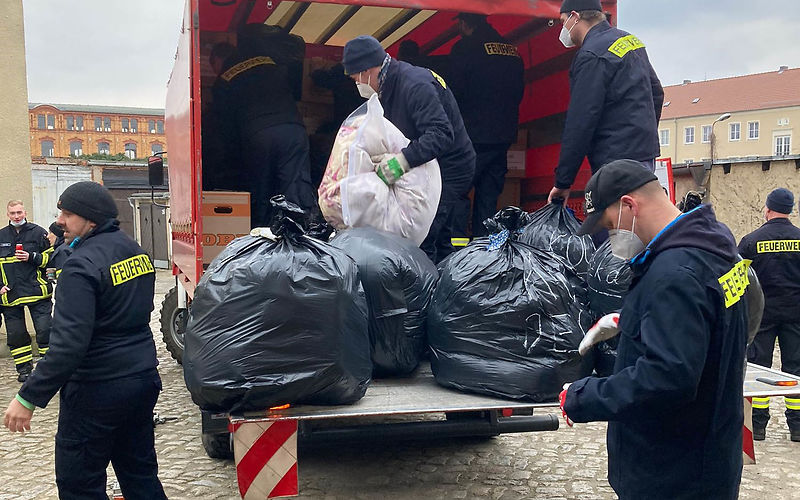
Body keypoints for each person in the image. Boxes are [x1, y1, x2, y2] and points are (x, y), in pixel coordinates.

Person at [559, 159, 748, 499]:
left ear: (629, 206)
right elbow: (709, 323)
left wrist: (584, 396)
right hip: (709, 454)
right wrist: (630, 321)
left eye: (607, 224)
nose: (608, 237)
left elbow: (666, 379)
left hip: (673, 474)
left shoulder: (674, 273)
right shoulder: (715, 247)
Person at [3, 182, 167, 499]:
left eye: (67, 213)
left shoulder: (79, 266)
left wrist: (28, 397)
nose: (59, 221)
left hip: (96, 391)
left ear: (90, 220)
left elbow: (68, 346)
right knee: (140, 476)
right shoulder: (135, 251)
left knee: (80, 486)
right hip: (141, 381)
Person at [342, 35, 476, 263]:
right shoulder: (387, 86)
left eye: (356, 77)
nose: (357, 84)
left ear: (368, 69)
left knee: (423, 233)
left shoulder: (414, 85)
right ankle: (444, 283)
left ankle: (422, 292)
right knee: (440, 237)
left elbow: (441, 134)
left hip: (450, 167)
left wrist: (400, 162)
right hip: (427, 164)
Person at [547, 0, 664, 204]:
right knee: (640, 224)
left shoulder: (591, 55)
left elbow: (581, 121)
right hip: (644, 157)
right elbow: (657, 93)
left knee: (615, 228)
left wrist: (563, 182)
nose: (562, 29)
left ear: (575, 17)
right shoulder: (630, 41)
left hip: (614, 162)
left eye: (563, 21)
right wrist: (641, 136)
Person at [209, 25, 318, 228]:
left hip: (259, 135)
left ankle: (262, 240)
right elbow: (295, 92)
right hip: (294, 130)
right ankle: (300, 239)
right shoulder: (269, 61)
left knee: (261, 190)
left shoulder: (224, 79)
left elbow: (224, 128)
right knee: (295, 189)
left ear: (218, 60)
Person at [449, 13, 524, 238]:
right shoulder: (512, 51)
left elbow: (453, 94)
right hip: (502, 137)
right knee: (488, 198)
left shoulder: (465, 48)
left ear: (463, 23)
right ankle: (483, 253)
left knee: (458, 194)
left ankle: (457, 253)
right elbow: (518, 93)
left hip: (472, 137)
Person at [738, 187, 800, 442]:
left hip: (762, 315)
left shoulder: (751, 241)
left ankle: (758, 426)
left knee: (760, 369)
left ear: (767, 209)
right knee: (795, 370)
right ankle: (797, 427)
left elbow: (739, 281)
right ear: (790, 210)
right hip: (796, 315)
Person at [0, 200, 53, 382]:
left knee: (45, 331)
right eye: (13, 213)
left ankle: (48, 368)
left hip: (37, 291)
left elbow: (52, 257)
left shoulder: (39, 233)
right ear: (8, 214)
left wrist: (33, 257)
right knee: (16, 335)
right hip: (10, 295)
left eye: (19, 212)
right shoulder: (1, 236)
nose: (16, 216)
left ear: (25, 212)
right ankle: (24, 370)